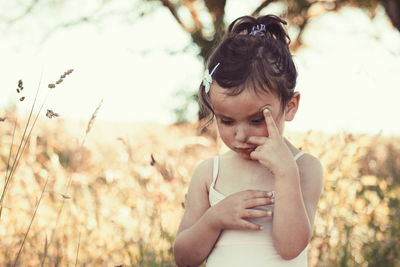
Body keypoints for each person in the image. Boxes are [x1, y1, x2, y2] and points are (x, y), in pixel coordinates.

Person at [173, 14, 324, 267]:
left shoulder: (304, 167)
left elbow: (290, 248)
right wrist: (214, 219)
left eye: (256, 121)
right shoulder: (210, 173)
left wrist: (286, 174)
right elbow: (184, 258)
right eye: (227, 121)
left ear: (290, 106)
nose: (240, 136)